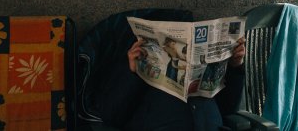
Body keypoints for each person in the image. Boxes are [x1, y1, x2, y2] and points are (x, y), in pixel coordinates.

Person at [97, 36, 246, 131]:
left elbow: (229, 109)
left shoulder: (206, 80)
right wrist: (131, 71)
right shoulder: (139, 75)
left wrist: (235, 67)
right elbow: (111, 115)